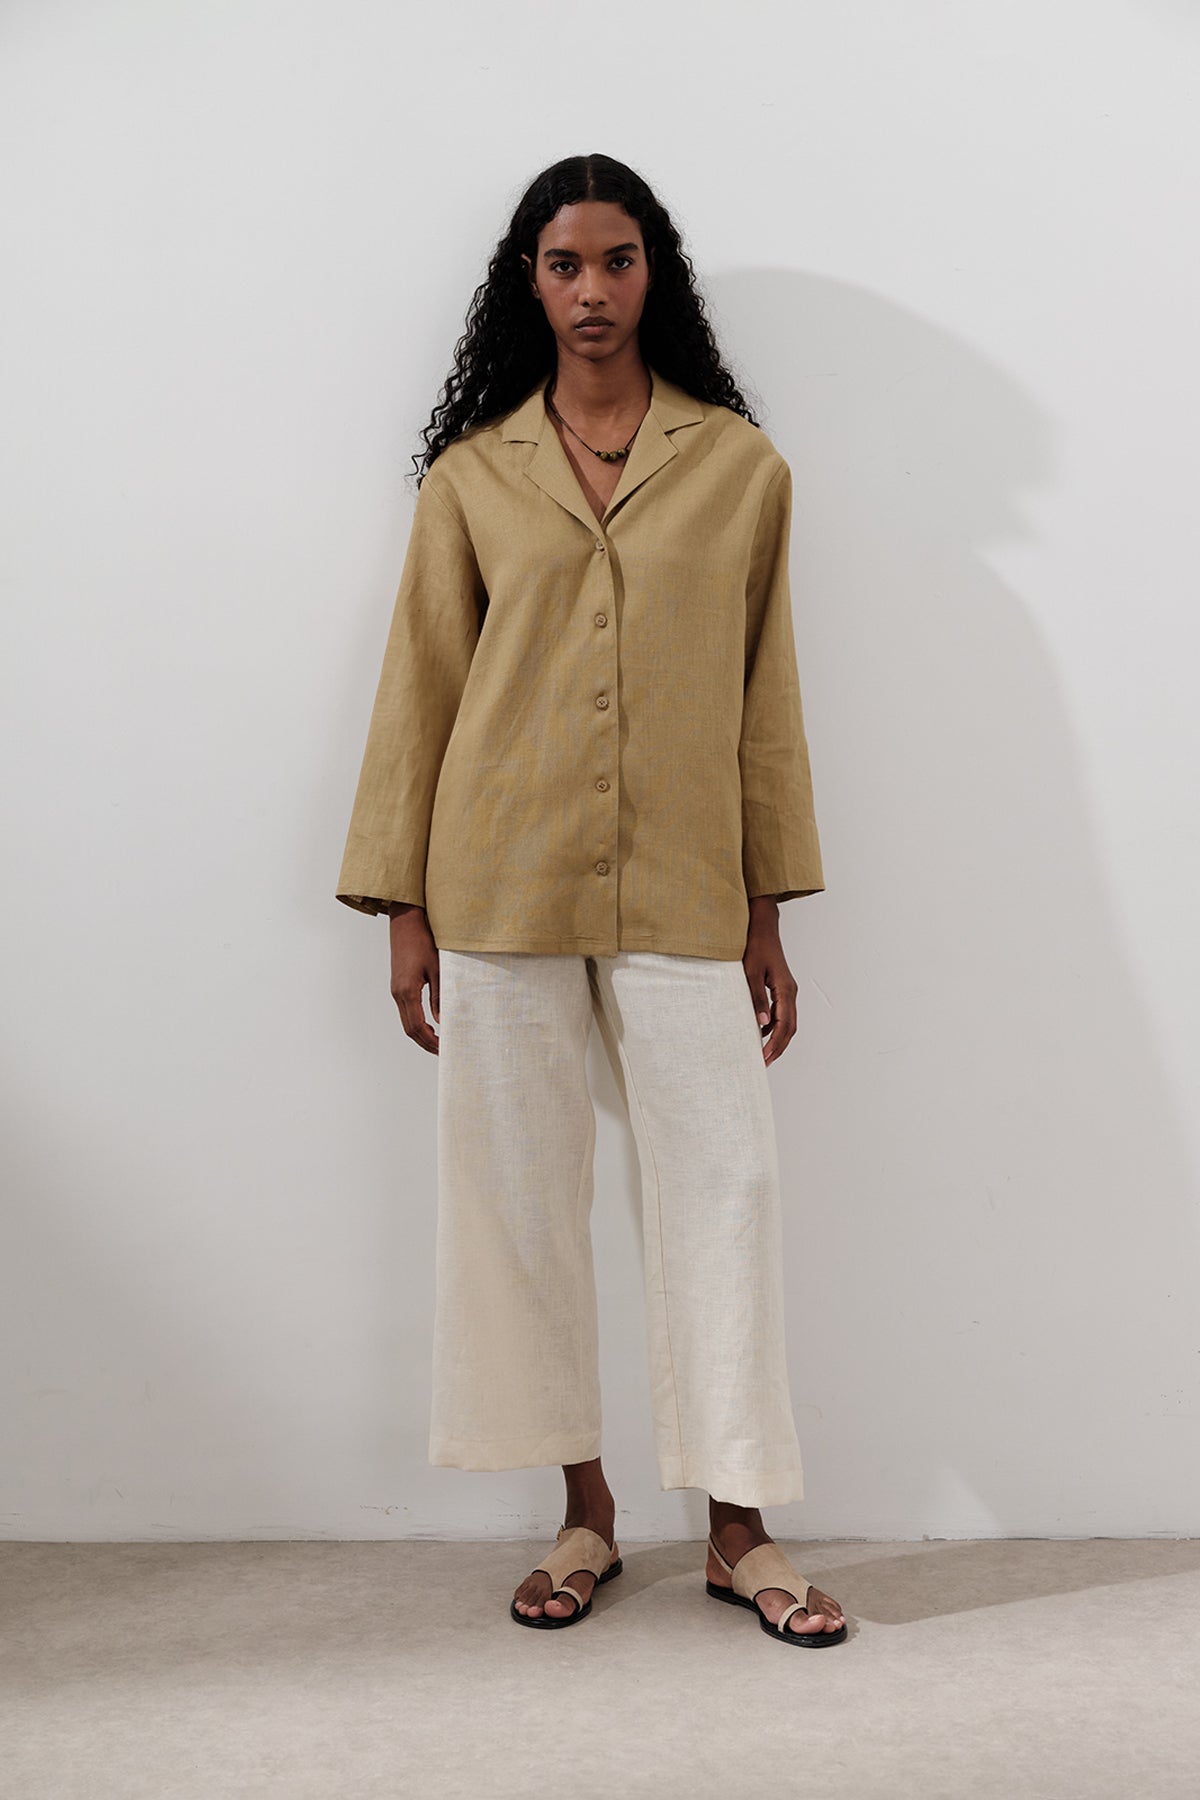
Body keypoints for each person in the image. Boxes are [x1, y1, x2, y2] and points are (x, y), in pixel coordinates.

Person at [336, 153, 847, 1648]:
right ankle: (585, 1512)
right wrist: (403, 911)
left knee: (726, 1188)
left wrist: (767, 908)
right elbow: (422, 690)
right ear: (530, 282)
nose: (592, 291)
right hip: (497, 879)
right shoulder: (473, 476)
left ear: (651, 273)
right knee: (521, 1202)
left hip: (686, 880)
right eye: (564, 264)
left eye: (617, 261)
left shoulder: (739, 468)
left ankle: (739, 1529)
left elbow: (765, 700)